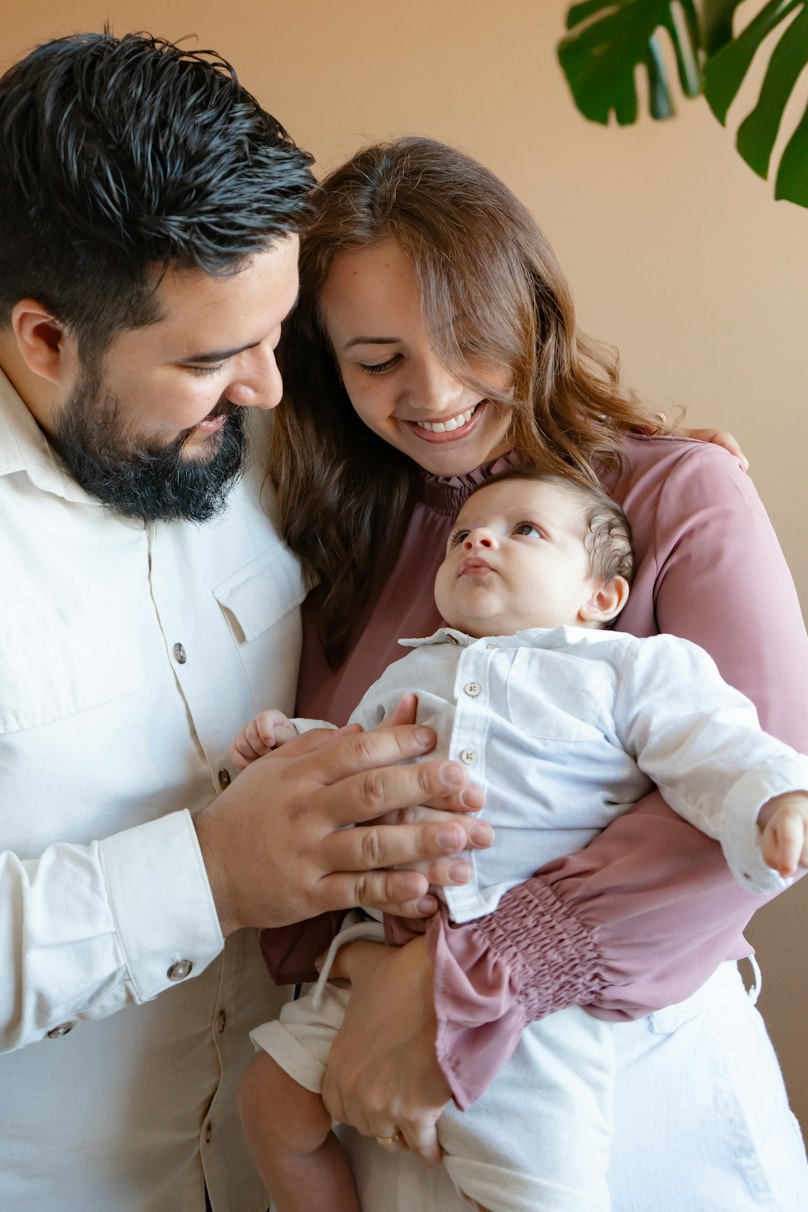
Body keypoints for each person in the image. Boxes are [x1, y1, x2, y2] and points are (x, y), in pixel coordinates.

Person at [0, 41, 490, 1212]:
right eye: (216, 359)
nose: (272, 390)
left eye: (277, 336)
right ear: (43, 340)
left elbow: (464, 451)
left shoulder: (249, 393)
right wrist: (208, 874)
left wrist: (667, 487)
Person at [262, 137, 808, 1211]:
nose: (435, 394)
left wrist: (464, 983)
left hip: (633, 1118)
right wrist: (369, 983)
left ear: (532, 310)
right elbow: (307, 840)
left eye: (470, 338)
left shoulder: (675, 494)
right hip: (381, 1113)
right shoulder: (344, 548)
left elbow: (759, 808)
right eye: (377, 361)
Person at [234, 470, 808, 1212]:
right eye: (462, 535)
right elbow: (351, 760)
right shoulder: (410, 671)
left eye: (524, 531)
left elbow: (712, 741)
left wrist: (775, 796)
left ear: (600, 596)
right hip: (384, 958)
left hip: (536, 1010)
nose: (478, 539)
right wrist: (289, 746)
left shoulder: (625, 669)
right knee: (269, 1105)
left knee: (533, 1189)